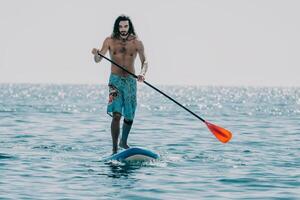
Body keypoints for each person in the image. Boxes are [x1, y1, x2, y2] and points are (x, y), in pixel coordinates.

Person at [92, 15, 148, 154]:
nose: (123, 29)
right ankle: (114, 149)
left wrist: (142, 73)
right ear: (117, 27)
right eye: (121, 26)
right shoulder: (109, 41)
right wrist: (96, 54)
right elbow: (98, 60)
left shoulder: (137, 43)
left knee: (129, 115)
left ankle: (123, 142)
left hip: (130, 81)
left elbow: (145, 61)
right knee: (116, 115)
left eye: (126, 26)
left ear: (129, 27)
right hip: (115, 81)